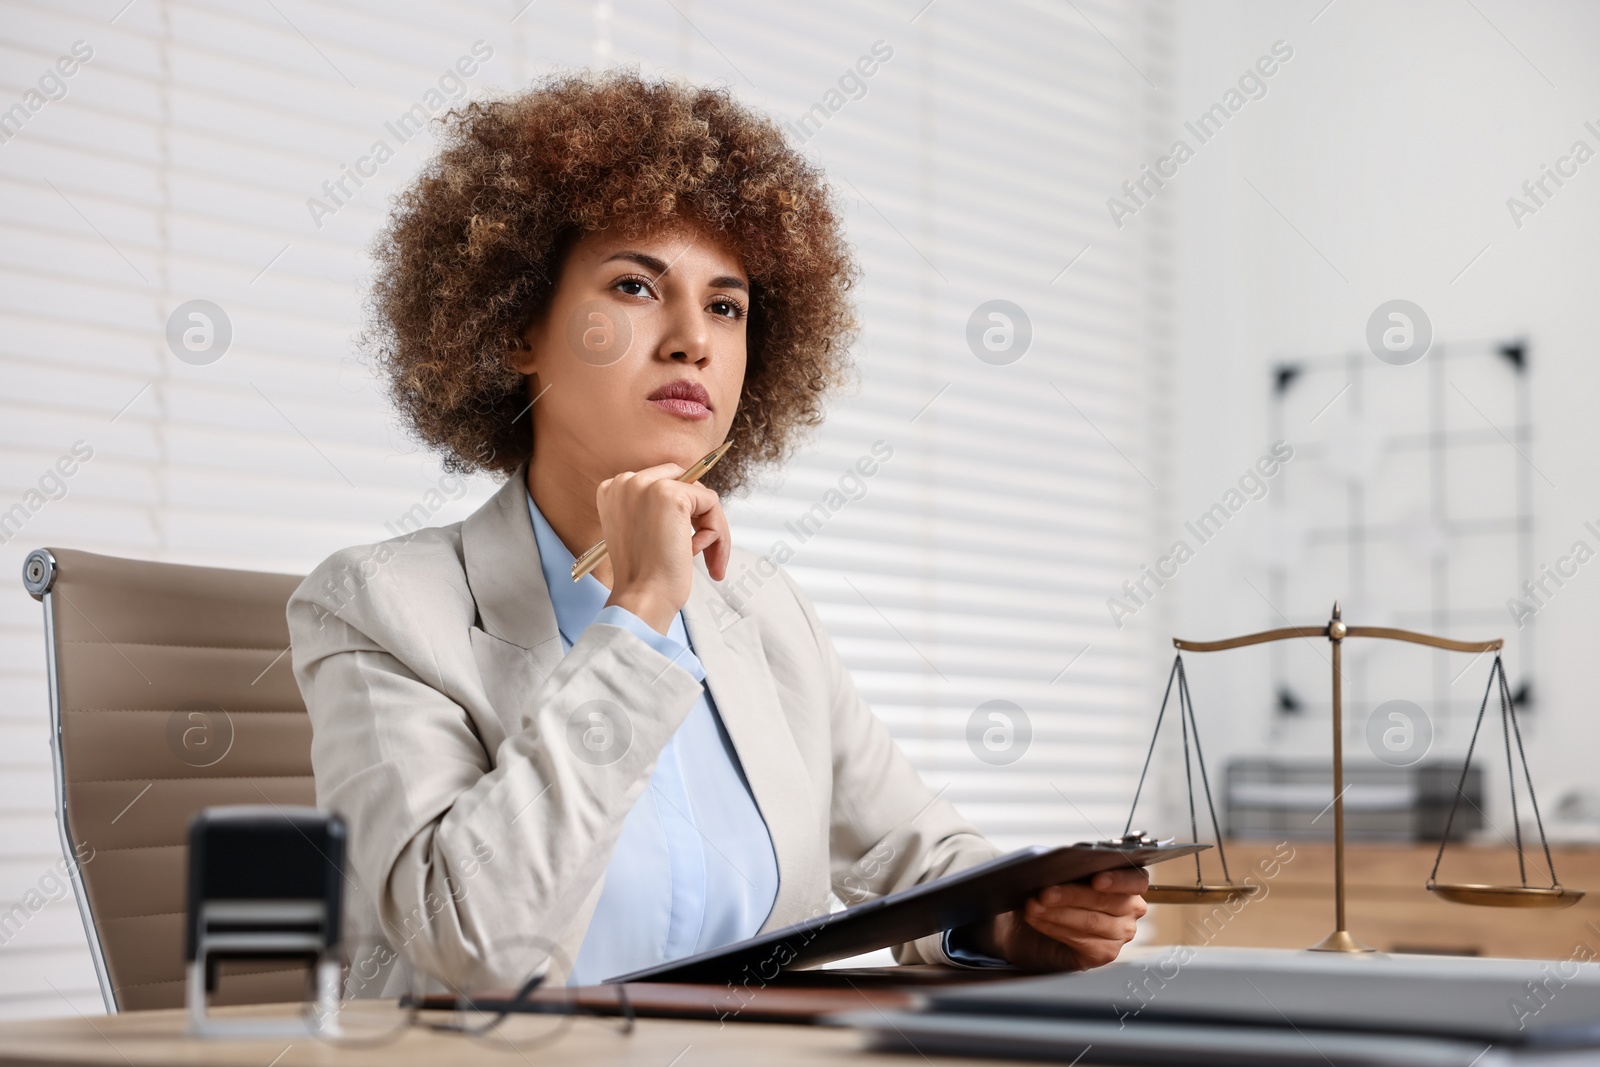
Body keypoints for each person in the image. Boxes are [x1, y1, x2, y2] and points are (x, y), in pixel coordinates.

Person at [287, 68, 1148, 994]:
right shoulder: (380, 605)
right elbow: (476, 940)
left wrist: (1015, 923)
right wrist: (642, 610)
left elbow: (921, 857)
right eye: (635, 286)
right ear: (514, 328)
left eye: (727, 306)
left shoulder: (760, 609)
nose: (693, 337)